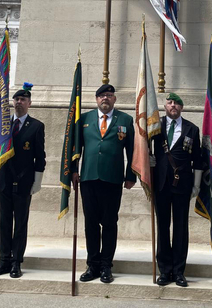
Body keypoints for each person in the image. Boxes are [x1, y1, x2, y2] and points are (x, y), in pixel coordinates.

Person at [73, 84, 136, 284]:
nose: (105, 99)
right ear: (96, 99)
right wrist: (74, 170)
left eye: (109, 95)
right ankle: (92, 264)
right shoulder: (84, 119)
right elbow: (75, 147)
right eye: (101, 96)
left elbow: (132, 150)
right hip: (89, 178)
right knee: (90, 223)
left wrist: (130, 176)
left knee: (109, 223)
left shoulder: (125, 120)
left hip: (112, 179)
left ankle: (106, 265)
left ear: (115, 99)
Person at [0, 85, 46, 279]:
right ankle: (3, 260)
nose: (19, 102)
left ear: (29, 103)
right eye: (16, 99)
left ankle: (16, 262)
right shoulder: (2, 126)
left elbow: (40, 157)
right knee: (4, 221)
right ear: (12, 102)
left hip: (24, 182)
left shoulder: (36, 126)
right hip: (3, 180)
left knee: (20, 223)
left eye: (23, 100)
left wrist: (37, 182)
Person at [151, 93, 203, 288]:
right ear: (165, 106)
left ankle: (179, 271)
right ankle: (165, 270)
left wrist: (196, 185)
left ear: (182, 107)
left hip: (182, 185)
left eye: (177, 103)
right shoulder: (154, 126)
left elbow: (198, 160)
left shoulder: (192, 129)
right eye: (170, 102)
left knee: (180, 228)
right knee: (162, 227)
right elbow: (145, 149)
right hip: (161, 184)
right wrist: (147, 162)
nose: (173, 105)